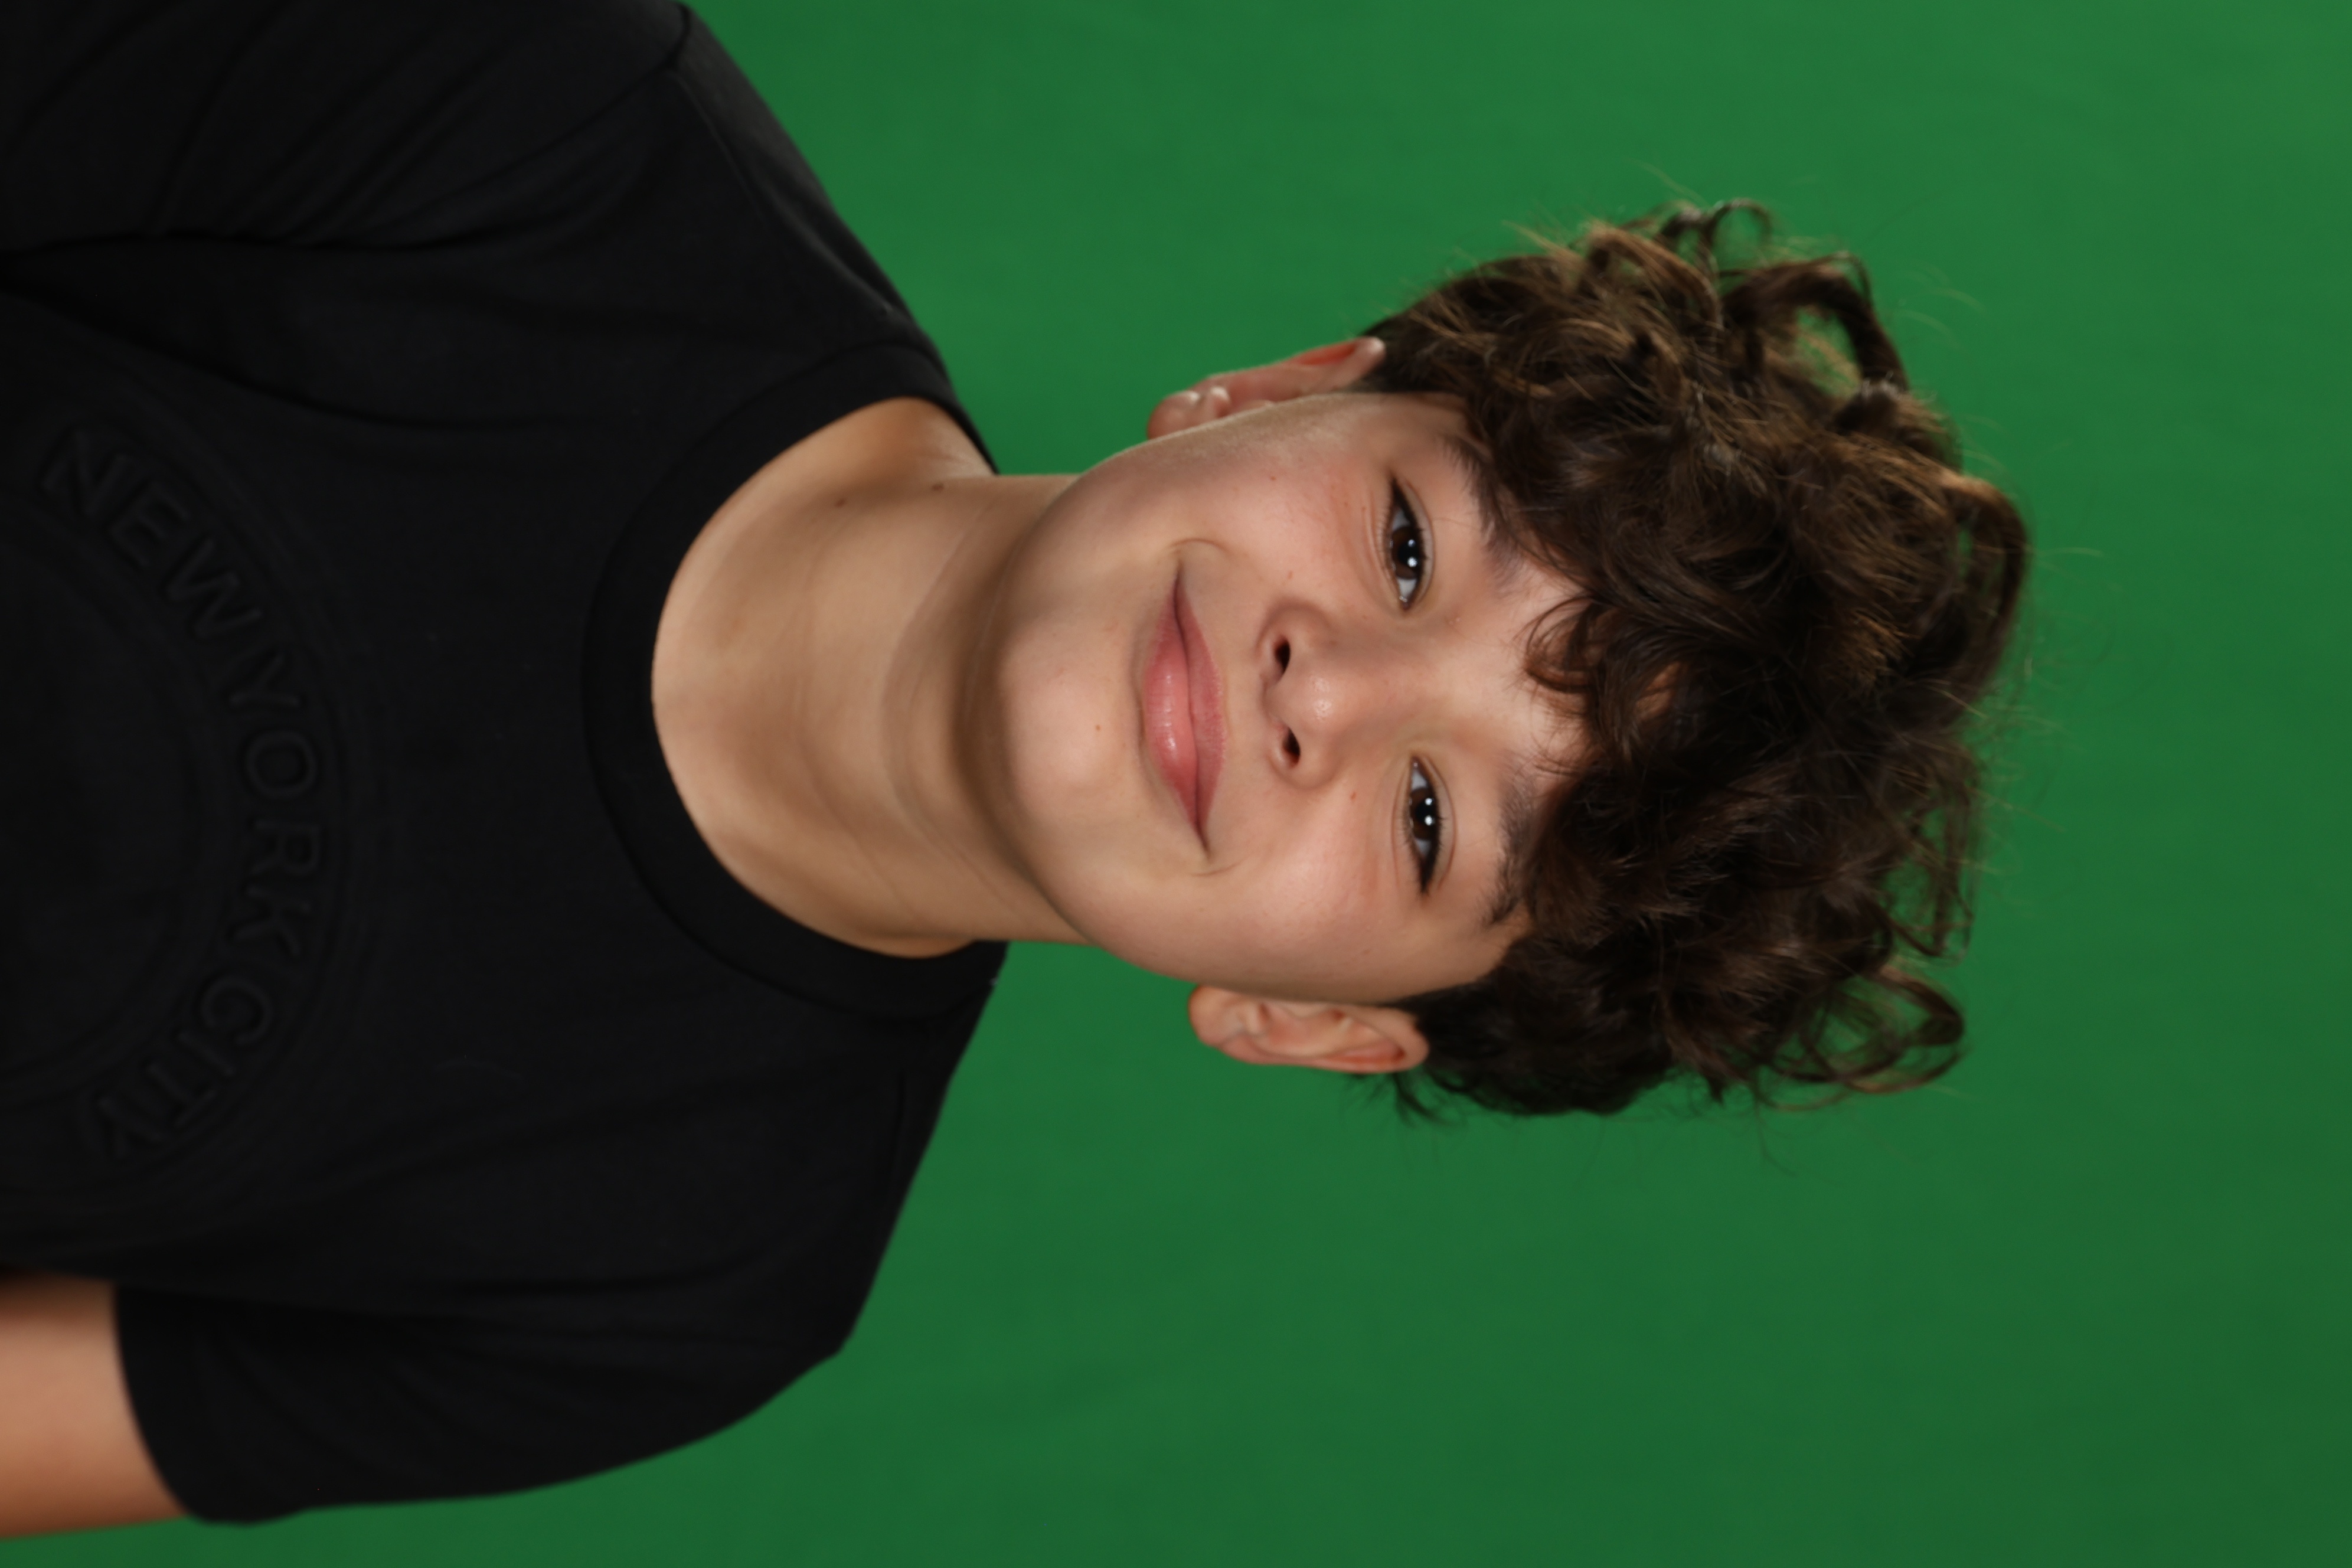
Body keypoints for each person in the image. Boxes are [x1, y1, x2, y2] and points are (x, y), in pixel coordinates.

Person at [0, 0, 2027, 1538]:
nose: (1330, 688)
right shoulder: (529, 109)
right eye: (1410, 549)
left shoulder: (679, 1288)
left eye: (1429, 821)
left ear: (1316, 1022)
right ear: (1284, 388)